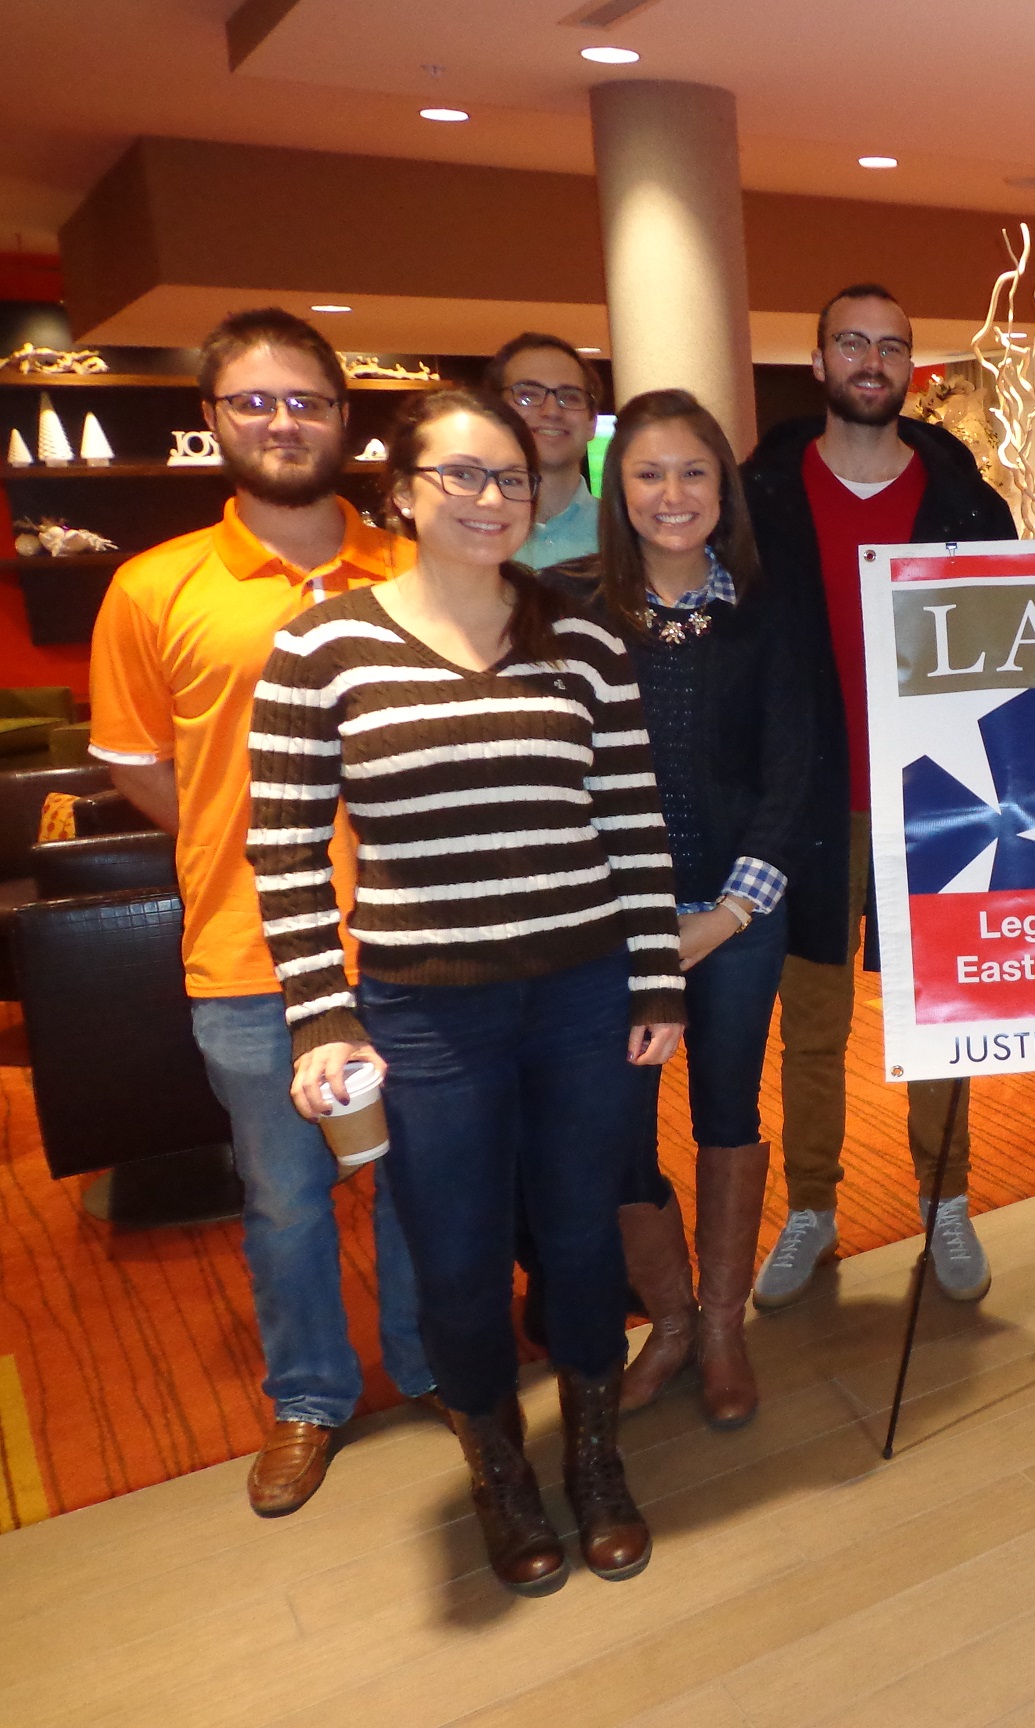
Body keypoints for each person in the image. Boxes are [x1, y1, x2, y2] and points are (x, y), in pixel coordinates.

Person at [246, 388, 685, 1595]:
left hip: (587, 997)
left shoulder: (584, 639)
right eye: (462, 476)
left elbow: (632, 826)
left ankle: (595, 1454)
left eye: (511, 479)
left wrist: (658, 978)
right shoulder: (322, 648)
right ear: (400, 492)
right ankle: (500, 1466)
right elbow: (281, 849)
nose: (493, 499)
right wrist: (322, 1013)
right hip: (427, 1014)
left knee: (586, 1236)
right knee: (452, 1254)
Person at [87, 307, 437, 1519]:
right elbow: (146, 769)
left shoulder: (417, 567)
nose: (284, 422)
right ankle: (309, 1396)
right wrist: (266, 842)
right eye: (256, 401)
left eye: (309, 401)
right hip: (252, 957)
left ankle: (434, 1366)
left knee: (419, 1182)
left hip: (415, 949)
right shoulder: (155, 587)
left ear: (347, 421)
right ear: (213, 420)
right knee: (285, 1193)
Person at [546, 389, 831, 1429]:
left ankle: (720, 1325)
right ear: (616, 490)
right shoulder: (567, 609)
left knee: (726, 1112)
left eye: (693, 472)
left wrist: (723, 916)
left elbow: (794, 770)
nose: (672, 494)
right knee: (616, 1135)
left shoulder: (769, 607)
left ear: (725, 488)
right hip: (604, 929)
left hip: (732, 915)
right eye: (648, 474)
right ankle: (665, 1321)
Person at [739, 283, 1018, 1307]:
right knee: (811, 1022)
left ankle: (946, 1200)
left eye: (891, 346)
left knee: (937, 1014)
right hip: (806, 807)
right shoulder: (755, 499)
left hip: (938, 799)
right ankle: (813, 1209)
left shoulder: (969, 505)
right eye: (850, 343)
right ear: (817, 363)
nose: (871, 361)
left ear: (911, 368)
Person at [486, 332, 601, 568]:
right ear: (493, 412)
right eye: (528, 395)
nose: (552, 411)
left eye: (570, 397)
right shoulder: (467, 530)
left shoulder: (632, 535)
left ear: (592, 422)